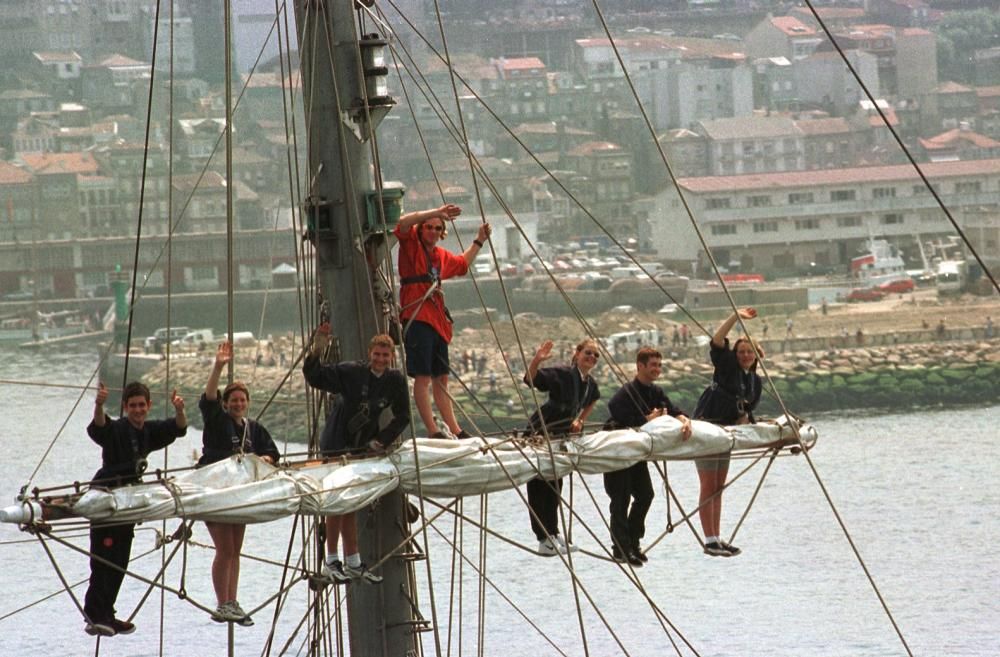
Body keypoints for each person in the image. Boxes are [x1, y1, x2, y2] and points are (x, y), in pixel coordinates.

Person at [303, 325, 410, 585]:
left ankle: (353, 562)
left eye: (385, 355)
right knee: (336, 502)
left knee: (351, 504)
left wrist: (382, 441)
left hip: (362, 444)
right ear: (369, 353)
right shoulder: (352, 372)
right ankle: (330, 560)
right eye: (377, 354)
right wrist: (317, 349)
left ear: (392, 357)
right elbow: (316, 377)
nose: (381, 360)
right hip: (337, 441)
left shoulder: (395, 380)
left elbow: (403, 416)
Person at [83, 381, 187, 637]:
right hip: (107, 499)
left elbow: (178, 428)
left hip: (128, 502)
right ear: (126, 407)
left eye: (142, 405)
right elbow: (99, 427)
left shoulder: (147, 431)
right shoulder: (117, 428)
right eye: (133, 406)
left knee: (120, 562)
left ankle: (108, 614)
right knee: (103, 561)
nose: (138, 410)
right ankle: (94, 615)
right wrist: (98, 405)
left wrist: (180, 410)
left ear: (149, 406)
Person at [394, 203, 491, 438]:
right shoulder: (411, 245)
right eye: (429, 227)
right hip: (417, 318)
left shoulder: (440, 256)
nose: (434, 232)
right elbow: (404, 222)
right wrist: (435, 211)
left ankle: (455, 430)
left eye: (438, 229)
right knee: (423, 376)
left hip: (437, 321)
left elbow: (462, 264)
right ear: (421, 229)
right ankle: (433, 430)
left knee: (442, 378)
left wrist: (479, 241)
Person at [200, 341, 280, 626]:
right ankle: (222, 603)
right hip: (215, 492)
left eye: (242, 401)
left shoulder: (252, 428)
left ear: (247, 403)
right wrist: (219, 367)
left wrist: (267, 458)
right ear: (226, 403)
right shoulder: (217, 421)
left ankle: (232, 601)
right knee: (224, 549)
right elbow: (208, 399)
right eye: (233, 400)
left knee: (235, 550)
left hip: (240, 495)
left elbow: (272, 452)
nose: (238, 404)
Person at [603, 347, 691, 566]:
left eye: (659, 365)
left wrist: (683, 419)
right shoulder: (627, 392)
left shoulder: (655, 392)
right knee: (621, 498)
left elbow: (672, 409)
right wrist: (645, 419)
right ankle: (621, 548)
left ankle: (633, 542)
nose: (657, 369)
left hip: (637, 453)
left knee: (646, 495)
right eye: (653, 365)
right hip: (619, 450)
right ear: (640, 366)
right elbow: (615, 410)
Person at [692, 307, 763, 558]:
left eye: (749, 352)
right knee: (708, 484)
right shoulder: (726, 367)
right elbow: (717, 340)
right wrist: (735, 317)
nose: (745, 355)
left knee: (719, 487)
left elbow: (745, 414)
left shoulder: (754, 381)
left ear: (756, 356)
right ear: (735, 355)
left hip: (726, 435)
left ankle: (717, 537)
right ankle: (709, 539)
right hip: (707, 428)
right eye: (741, 352)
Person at [523, 339, 601, 556]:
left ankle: (553, 532)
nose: (592, 357)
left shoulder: (590, 383)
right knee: (540, 484)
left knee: (556, 484)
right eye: (588, 352)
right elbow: (531, 379)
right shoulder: (563, 373)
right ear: (577, 354)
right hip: (542, 430)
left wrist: (581, 420)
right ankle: (542, 538)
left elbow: (593, 399)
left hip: (561, 435)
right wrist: (537, 360)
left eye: (596, 355)